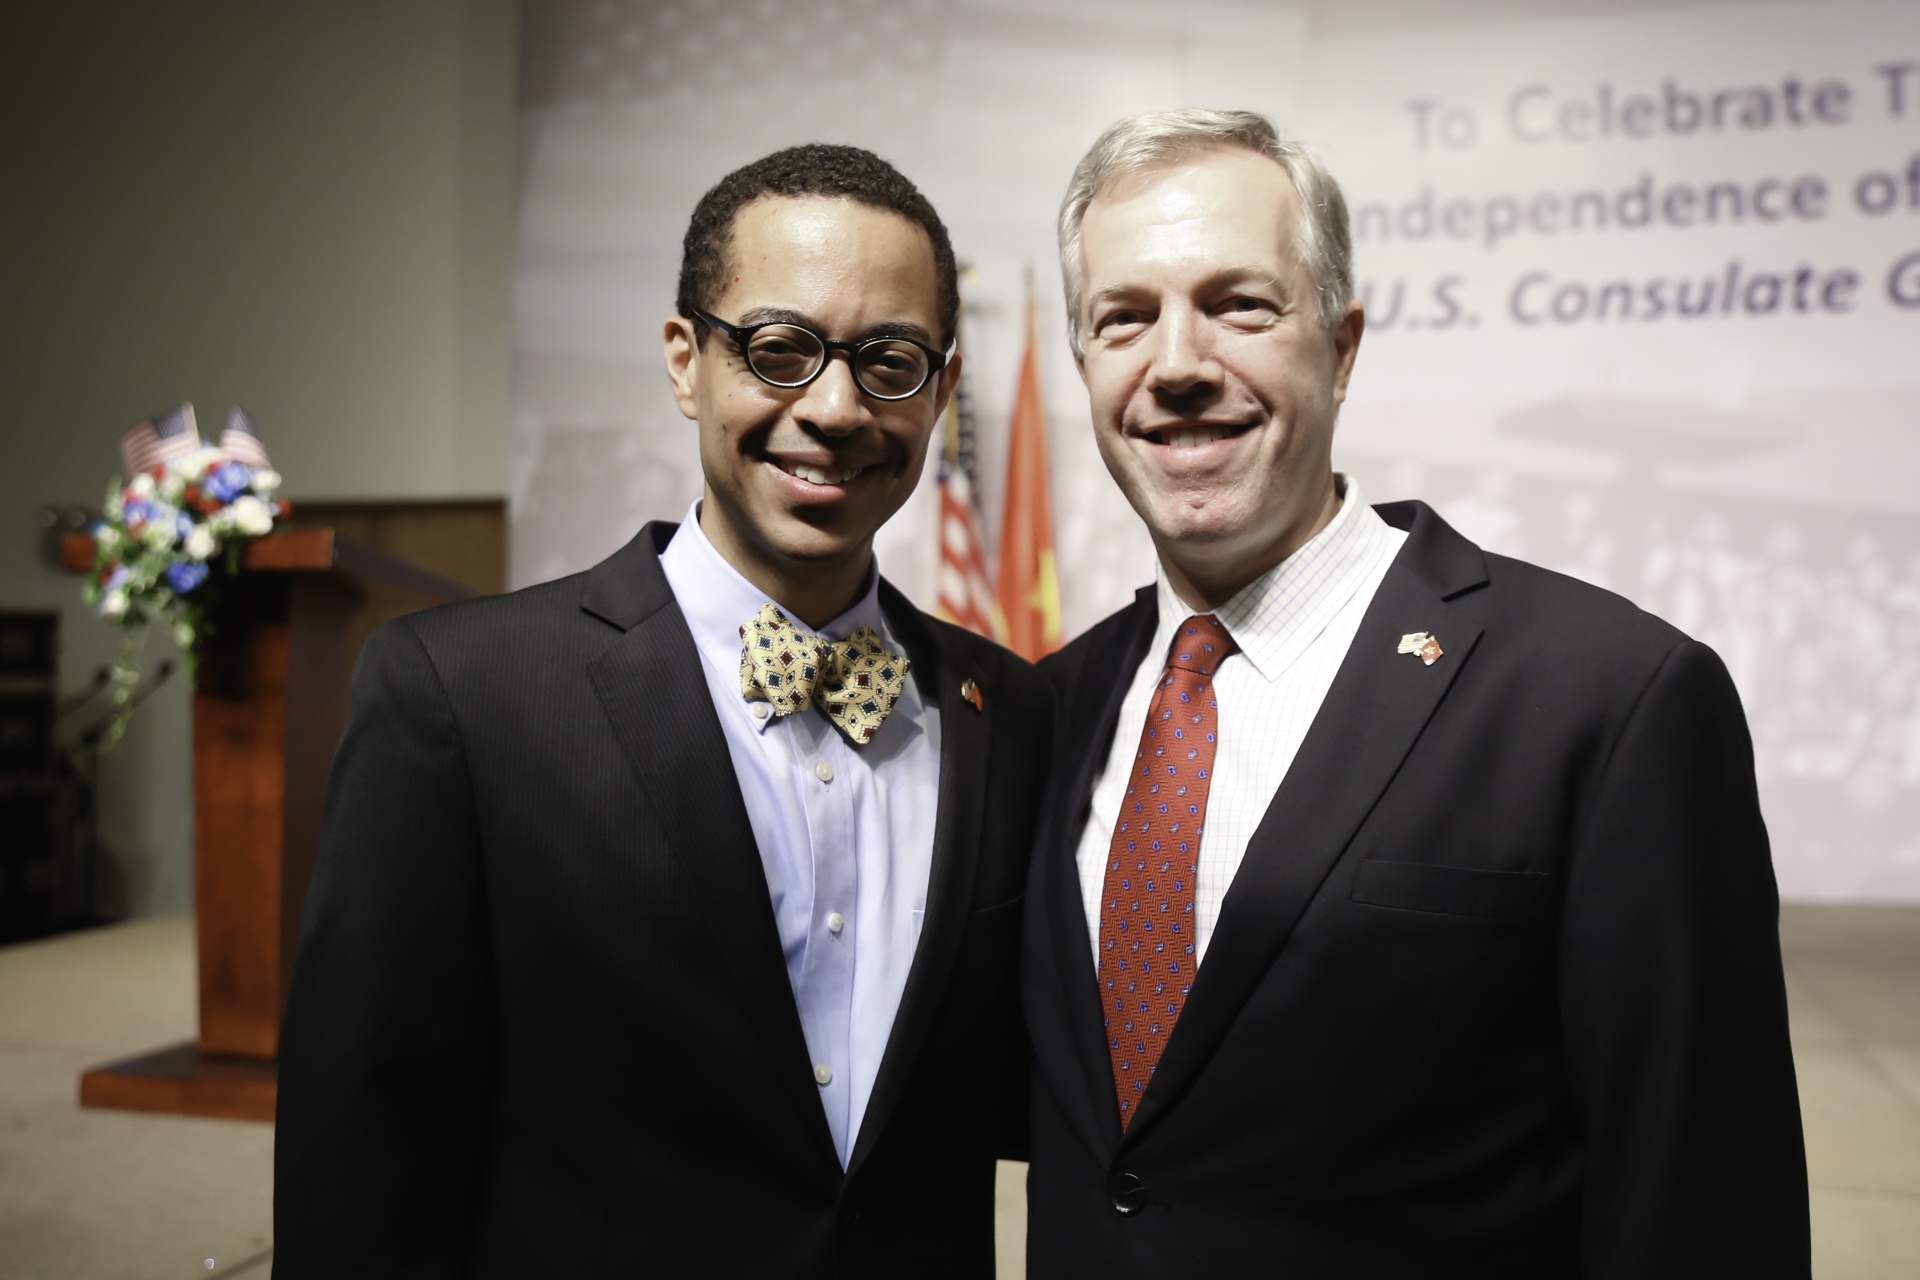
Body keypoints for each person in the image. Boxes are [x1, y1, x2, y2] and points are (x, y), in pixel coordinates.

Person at [1020, 109, 1808, 1277]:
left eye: (1241, 304)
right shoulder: (1050, 706)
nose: (1176, 365)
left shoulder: (1609, 698)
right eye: (1123, 318)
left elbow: (1703, 1196)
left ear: (1340, 348)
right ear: (1086, 364)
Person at [274, 144, 1048, 1277]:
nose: (834, 407)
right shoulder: (462, 693)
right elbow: (366, 1148)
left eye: (889, 360)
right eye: (780, 349)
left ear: (938, 386)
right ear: (686, 360)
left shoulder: (1006, 709)